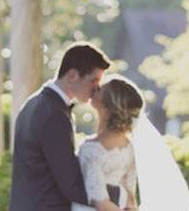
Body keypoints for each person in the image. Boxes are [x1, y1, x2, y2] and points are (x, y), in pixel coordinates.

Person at [9, 43, 113, 211]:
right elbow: (71, 185)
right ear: (72, 75)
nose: (97, 88)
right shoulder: (54, 115)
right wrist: (120, 194)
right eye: (93, 80)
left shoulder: (33, 102)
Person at [73, 75, 189, 211]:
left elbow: (101, 203)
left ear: (106, 106)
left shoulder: (91, 149)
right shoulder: (130, 147)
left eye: (99, 90)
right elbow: (130, 198)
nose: (94, 89)